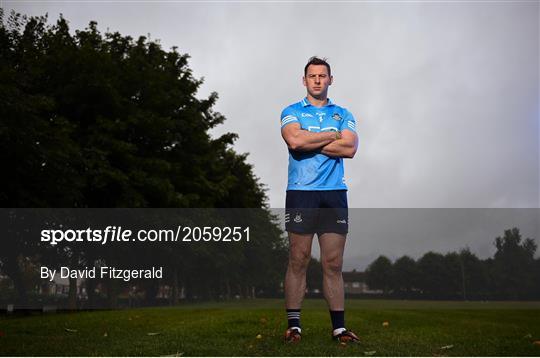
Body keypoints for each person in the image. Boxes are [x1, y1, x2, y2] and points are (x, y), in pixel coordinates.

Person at [280, 56, 359, 344]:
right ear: (304, 80)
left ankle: (339, 328)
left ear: (330, 80)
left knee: (333, 263)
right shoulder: (291, 111)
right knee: (298, 259)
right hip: (301, 192)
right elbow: (295, 142)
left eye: (322, 75)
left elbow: (349, 148)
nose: (316, 80)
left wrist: (311, 138)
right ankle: (294, 326)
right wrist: (330, 137)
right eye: (311, 76)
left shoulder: (343, 113)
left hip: (334, 193)